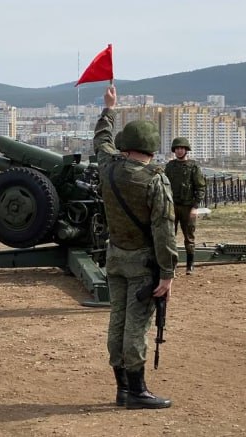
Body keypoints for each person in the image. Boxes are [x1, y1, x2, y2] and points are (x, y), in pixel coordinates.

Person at [93, 84, 177, 410]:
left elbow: (101, 141)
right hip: (143, 262)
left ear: (125, 146)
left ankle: (121, 389)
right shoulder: (155, 179)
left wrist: (109, 108)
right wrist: (167, 273)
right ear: (151, 151)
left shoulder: (108, 166)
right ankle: (138, 391)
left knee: (117, 321)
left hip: (115, 257)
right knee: (136, 325)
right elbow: (164, 230)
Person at [164, 137, 206, 275]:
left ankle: (190, 264)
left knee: (189, 237)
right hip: (172, 206)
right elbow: (165, 186)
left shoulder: (193, 167)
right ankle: (172, 264)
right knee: (170, 236)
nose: (179, 150)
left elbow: (200, 187)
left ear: (186, 150)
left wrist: (195, 207)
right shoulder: (170, 167)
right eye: (177, 148)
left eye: (182, 148)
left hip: (188, 207)